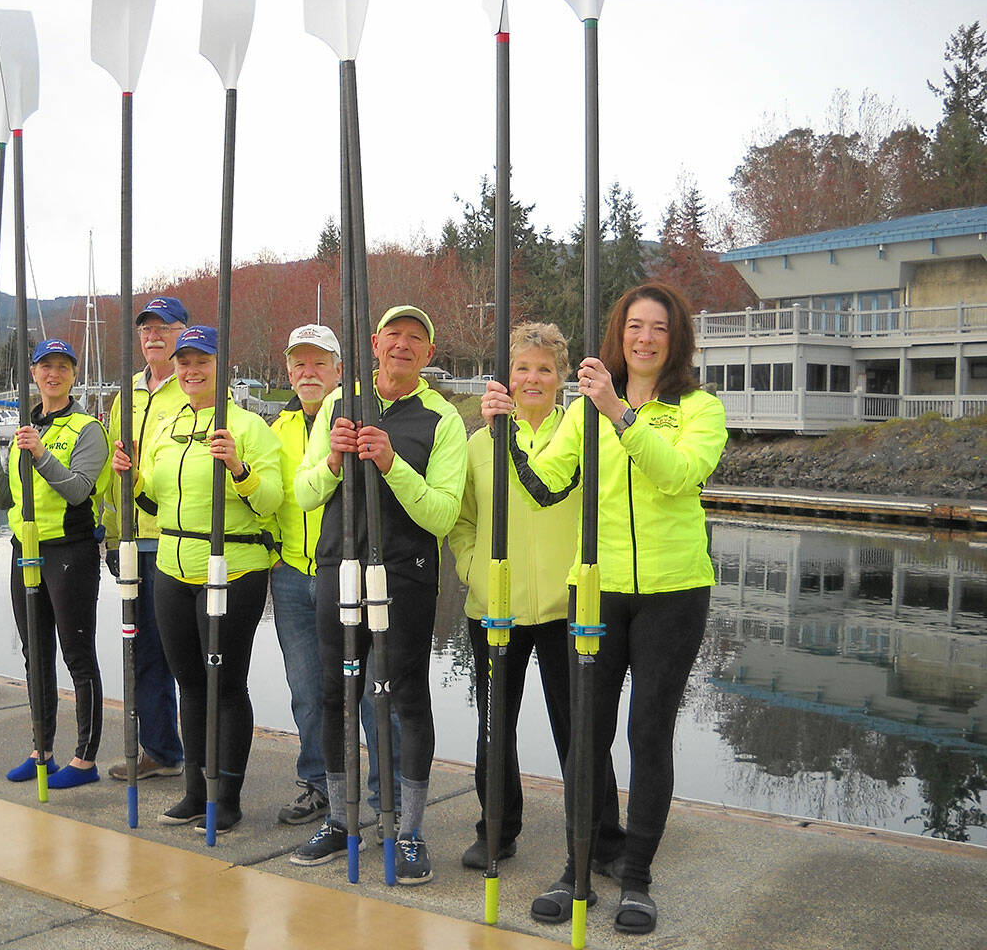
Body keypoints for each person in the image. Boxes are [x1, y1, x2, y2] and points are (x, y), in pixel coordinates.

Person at [481, 282, 727, 935]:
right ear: (619, 334)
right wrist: (504, 428)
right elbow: (542, 485)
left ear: (675, 341)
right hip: (597, 586)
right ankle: (577, 866)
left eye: (659, 329)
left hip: (674, 592)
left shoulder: (699, 407)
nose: (645, 338)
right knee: (586, 735)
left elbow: (677, 476)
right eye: (634, 327)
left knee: (649, 733)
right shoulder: (584, 411)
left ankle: (637, 880)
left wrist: (620, 412)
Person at [291, 305, 468, 885]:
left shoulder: (442, 421)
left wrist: (390, 462)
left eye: (416, 338)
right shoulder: (341, 404)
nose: (402, 345)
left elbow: (441, 515)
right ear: (374, 343)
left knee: (404, 698)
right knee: (335, 694)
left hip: (406, 577)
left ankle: (407, 830)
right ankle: (344, 821)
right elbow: (305, 493)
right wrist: (338, 460)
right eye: (393, 335)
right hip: (338, 570)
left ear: (428, 354)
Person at [449, 322, 626, 871]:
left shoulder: (580, 436)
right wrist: (472, 570)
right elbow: (462, 520)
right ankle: (497, 829)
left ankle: (603, 837)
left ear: (562, 377)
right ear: (505, 376)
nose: (532, 378)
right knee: (494, 727)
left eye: (544, 369)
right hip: (493, 607)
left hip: (565, 610)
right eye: (522, 368)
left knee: (579, 728)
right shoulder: (480, 442)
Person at [111, 324, 282, 834]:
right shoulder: (165, 429)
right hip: (171, 565)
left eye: (201, 361)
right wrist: (133, 478)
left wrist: (238, 467)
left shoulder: (250, 427)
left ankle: (225, 797)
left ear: (221, 366)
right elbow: (154, 503)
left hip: (232, 569)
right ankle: (193, 792)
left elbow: (271, 501)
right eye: (184, 363)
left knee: (226, 685)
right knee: (189, 683)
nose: (190, 370)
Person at [268, 323, 401, 827]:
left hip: (349, 574)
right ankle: (318, 785)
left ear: (340, 370)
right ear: (287, 370)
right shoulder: (273, 427)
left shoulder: (360, 417)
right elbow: (266, 494)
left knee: (371, 691)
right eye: (299, 363)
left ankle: (379, 796)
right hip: (291, 575)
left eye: (319, 363)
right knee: (309, 690)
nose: (308, 372)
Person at [0, 338, 112, 789]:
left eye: (62, 367)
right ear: (33, 374)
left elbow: (78, 490)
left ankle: (85, 759)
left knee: (76, 652)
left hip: (70, 552)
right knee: (36, 654)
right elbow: (5, 497)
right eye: (44, 367)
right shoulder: (22, 428)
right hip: (25, 550)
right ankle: (43, 750)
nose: (52, 374)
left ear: (73, 375)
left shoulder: (87, 428)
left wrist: (40, 453)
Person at [102, 296, 189, 783]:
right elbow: (113, 476)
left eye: (164, 327)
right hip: (134, 544)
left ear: (182, 332)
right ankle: (159, 749)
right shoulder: (125, 396)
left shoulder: (195, 387)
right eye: (146, 329)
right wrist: (112, 537)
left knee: (187, 651)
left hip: (178, 539)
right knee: (142, 651)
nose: (154, 336)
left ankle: (201, 755)